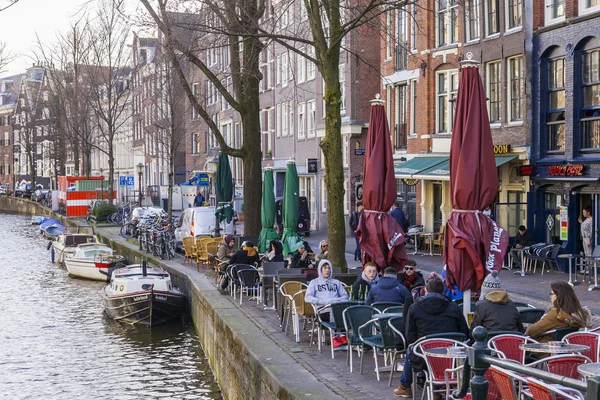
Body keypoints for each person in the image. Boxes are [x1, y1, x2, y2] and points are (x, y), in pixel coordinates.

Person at [394, 278, 470, 398]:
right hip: (451, 356)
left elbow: (410, 335)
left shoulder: (414, 307)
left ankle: (405, 386)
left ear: (425, 290)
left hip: (424, 356)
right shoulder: (453, 307)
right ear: (443, 292)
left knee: (411, 349)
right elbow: (464, 331)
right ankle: (439, 387)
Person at [526, 280, 592, 343]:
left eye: (551, 294)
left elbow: (532, 331)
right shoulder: (574, 312)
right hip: (564, 349)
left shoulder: (557, 313)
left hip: (545, 348)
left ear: (559, 296)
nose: (550, 297)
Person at [579, 205, 594, 272]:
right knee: (586, 253)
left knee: (589, 254)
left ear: (588, 212)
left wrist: (589, 240)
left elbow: (590, 231)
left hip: (587, 239)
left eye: (584, 212)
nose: (583, 213)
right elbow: (585, 228)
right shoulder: (587, 220)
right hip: (584, 238)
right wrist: (581, 222)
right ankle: (587, 268)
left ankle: (590, 269)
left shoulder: (591, 220)